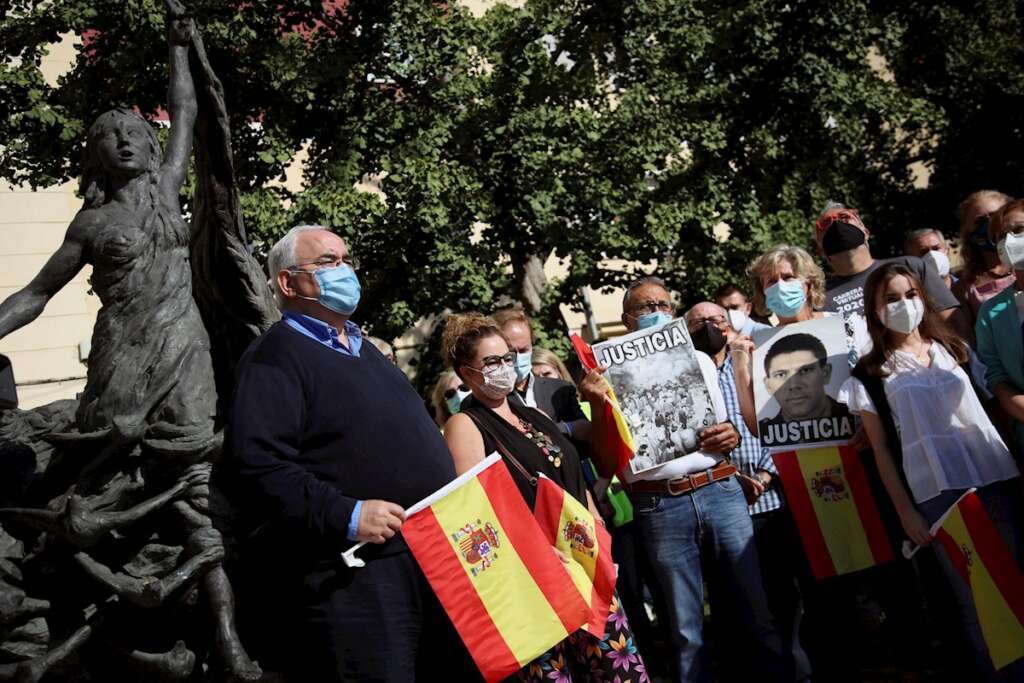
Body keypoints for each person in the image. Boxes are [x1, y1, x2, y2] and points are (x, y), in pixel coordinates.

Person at [224, 225, 471, 681]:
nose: (344, 271)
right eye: (327, 262)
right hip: (360, 576)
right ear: (288, 283)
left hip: (433, 558)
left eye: (345, 260)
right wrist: (347, 514)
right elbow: (258, 464)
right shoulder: (274, 357)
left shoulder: (367, 351)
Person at [589, 275, 787, 683]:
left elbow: (722, 430)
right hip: (661, 506)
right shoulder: (605, 379)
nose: (656, 313)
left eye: (663, 306)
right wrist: (597, 405)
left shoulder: (698, 361)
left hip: (720, 490)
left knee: (755, 610)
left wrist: (730, 434)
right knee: (685, 629)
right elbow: (607, 460)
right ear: (627, 322)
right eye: (646, 308)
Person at [841, 262, 1022, 681]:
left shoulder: (955, 349)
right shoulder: (869, 373)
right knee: (975, 599)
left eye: (910, 295)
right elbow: (882, 449)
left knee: (1015, 580)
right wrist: (905, 511)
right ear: (874, 308)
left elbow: (991, 410)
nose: (903, 305)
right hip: (937, 494)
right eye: (891, 298)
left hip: (993, 476)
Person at [441, 312, 643, 681]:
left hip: (581, 561)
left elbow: (569, 472)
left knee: (618, 671)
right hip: (533, 581)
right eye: (491, 362)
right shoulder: (465, 425)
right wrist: (536, 554)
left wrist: (596, 527)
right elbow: (473, 513)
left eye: (507, 358)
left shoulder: (529, 411)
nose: (504, 367)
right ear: (468, 373)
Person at [685, 302, 811, 681]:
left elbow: (782, 421)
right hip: (719, 502)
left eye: (717, 320)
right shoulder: (684, 374)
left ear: (730, 325)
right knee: (735, 603)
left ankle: (797, 671)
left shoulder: (756, 362)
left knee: (785, 597)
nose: (709, 326)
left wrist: (767, 476)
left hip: (770, 500)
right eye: (698, 322)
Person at [814, 201, 966, 357]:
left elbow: (955, 324)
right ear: (820, 249)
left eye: (844, 217)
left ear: (865, 232)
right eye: (826, 223)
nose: (837, 224)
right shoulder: (817, 297)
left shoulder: (911, 267)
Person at [492, 308, 590, 441]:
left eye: (524, 349)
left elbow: (585, 429)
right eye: (511, 352)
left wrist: (554, 428)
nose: (519, 357)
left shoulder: (560, 390)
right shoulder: (490, 399)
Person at [977, 198, 1024, 450]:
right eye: (1002, 235)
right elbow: (997, 378)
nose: (1010, 240)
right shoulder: (990, 313)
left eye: (1018, 230)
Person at [759, 333, 851, 434]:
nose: (793, 385)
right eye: (781, 375)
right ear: (768, 386)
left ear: (825, 373)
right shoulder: (763, 433)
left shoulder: (857, 420)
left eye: (805, 370)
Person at [952, 190, 1015, 322]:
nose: (990, 225)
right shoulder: (965, 287)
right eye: (980, 222)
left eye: (995, 216)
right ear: (968, 233)